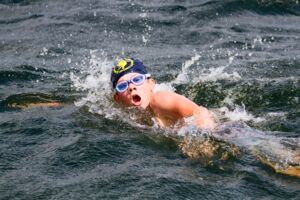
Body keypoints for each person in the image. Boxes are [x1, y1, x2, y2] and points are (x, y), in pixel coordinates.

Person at [111, 58, 216, 129]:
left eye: (137, 79)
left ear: (151, 83)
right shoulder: (125, 115)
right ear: (117, 98)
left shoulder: (160, 99)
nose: (131, 87)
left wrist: (203, 140)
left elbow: (201, 112)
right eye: (122, 86)